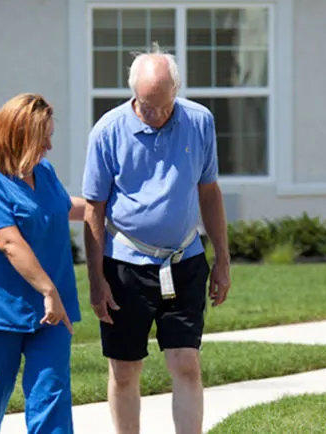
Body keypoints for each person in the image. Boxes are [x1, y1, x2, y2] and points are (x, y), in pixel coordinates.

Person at [81, 44, 232, 434]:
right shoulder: (107, 131)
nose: (155, 115)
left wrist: (223, 261)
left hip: (184, 261)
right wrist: (97, 280)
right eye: (147, 107)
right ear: (133, 93)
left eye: (163, 106)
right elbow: (93, 209)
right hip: (125, 266)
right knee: (126, 369)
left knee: (185, 361)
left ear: (176, 92)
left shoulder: (199, 122)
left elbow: (209, 191)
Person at [0, 93, 87, 434]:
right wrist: (48, 289)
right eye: (42, 135)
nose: (49, 144)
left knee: (52, 399)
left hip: (52, 311)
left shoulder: (43, 173)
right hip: (1, 312)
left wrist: (114, 208)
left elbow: (64, 207)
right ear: (20, 136)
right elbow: (8, 242)